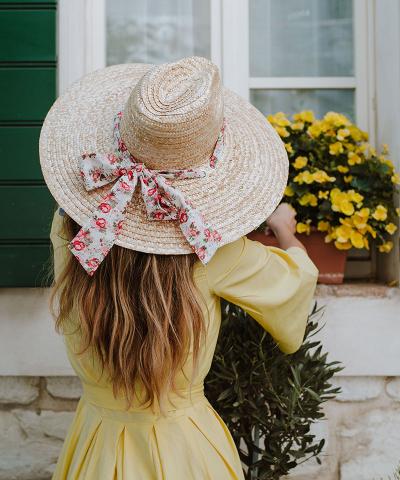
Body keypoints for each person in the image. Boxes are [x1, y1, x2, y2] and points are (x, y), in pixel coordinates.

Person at [41, 56, 319, 479]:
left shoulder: (71, 231)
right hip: (184, 451)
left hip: (95, 441)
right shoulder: (214, 250)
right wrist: (284, 231)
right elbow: (296, 283)